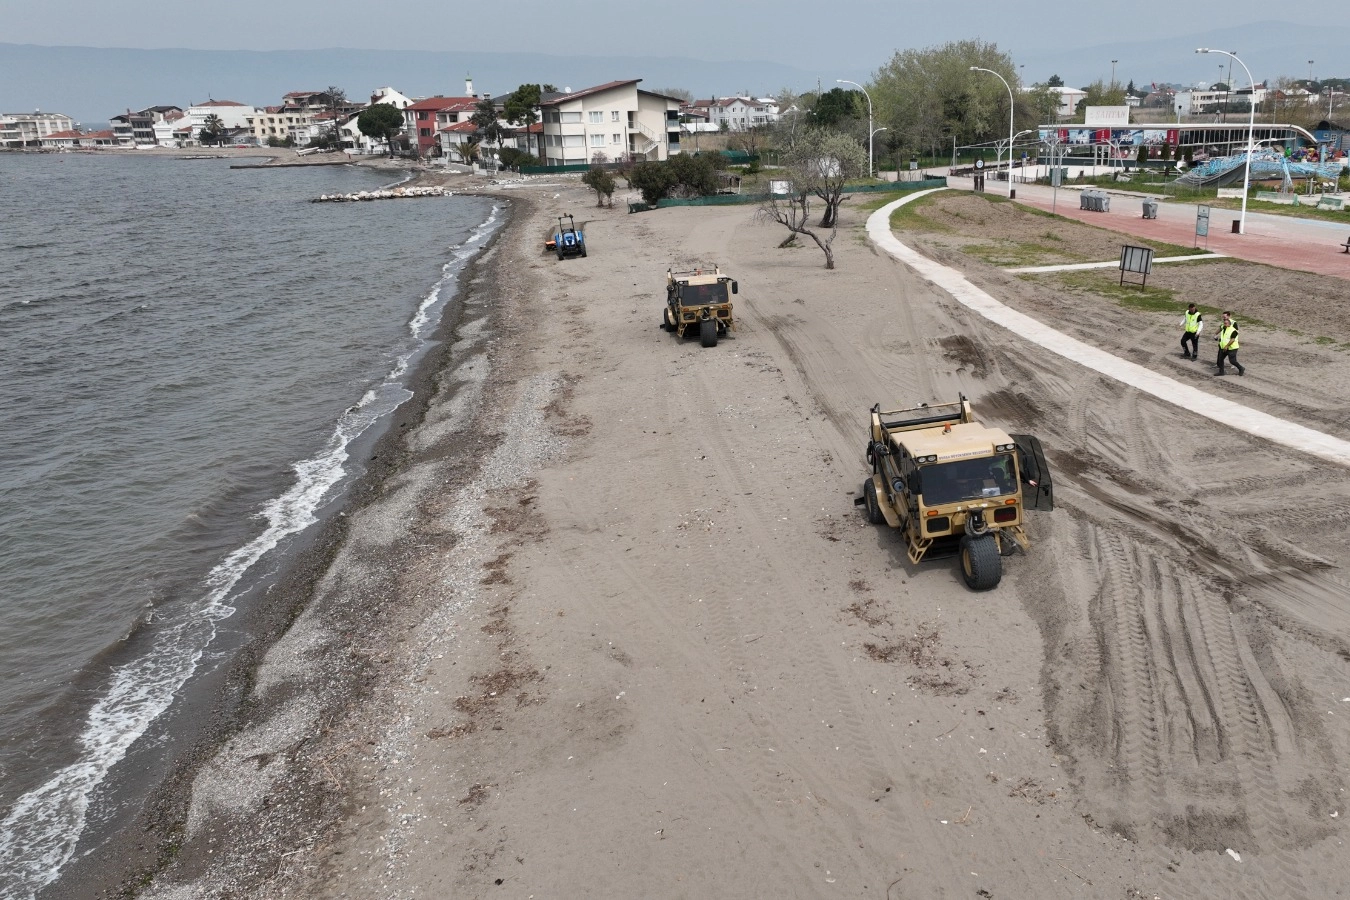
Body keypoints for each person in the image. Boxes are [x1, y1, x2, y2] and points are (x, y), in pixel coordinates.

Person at [1214, 311, 1245, 376]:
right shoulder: (1224, 326)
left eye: (1225, 323)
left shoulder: (1233, 329)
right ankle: (1221, 372)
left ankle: (1241, 368)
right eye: (1224, 322)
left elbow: (1233, 339)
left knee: (1232, 361)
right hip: (1223, 347)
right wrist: (1215, 334)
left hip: (1232, 347)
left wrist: (1227, 346)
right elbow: (1220, 329)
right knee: (1220, 359)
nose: (1224, 323)